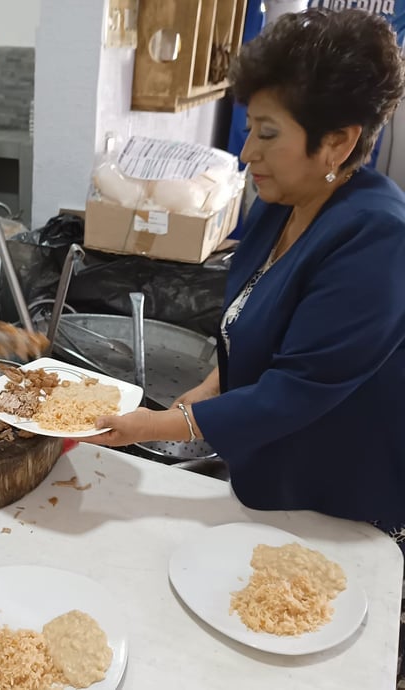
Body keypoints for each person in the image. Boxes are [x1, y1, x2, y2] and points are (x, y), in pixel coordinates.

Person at [85, 9, 405, 548]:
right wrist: (211, 388)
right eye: (251, 127)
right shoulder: (281, 204)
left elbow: (297, 389)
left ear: (337, 143)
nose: (247, 150)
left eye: (268, 133)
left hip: (341, 497)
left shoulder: (378, 237)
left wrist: (155, 425)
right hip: (271, 473)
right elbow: (250, 324)